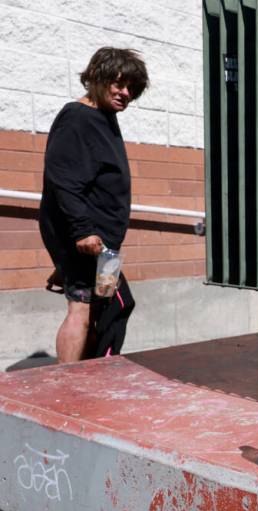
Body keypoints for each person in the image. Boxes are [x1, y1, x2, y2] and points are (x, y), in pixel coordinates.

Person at [39, 47, 148, 363]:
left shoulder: (103, 117)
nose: (125, 93)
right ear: (97, 78)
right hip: (91, 241)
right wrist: (82, 232)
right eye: (119, 84)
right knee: (101, 304)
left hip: (100, 243)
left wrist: (65, 264)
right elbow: (64, 180)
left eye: (132, 88)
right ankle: (75, 380)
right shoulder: (78, 117)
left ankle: (83, 376)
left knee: (95, 303)